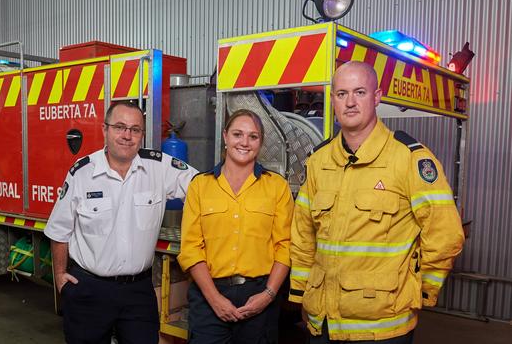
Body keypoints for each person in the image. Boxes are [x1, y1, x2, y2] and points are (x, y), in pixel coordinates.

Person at [289, 61, 465, 343]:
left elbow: (444, 232)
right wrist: (300, 292)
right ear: (332, 100)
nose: (350, 102)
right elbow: (302, 233)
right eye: (342, 93)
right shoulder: (319, 161)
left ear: (377, 97)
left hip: (385, 327)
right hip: (323, 323)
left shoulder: (409, 159)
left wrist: (421, 290)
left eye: (359, 92)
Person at [44, 101, 198, 344]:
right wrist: (61, 276)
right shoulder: (82, 173)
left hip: (137, 293)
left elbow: (203, 187)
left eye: (135, 129)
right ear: (105, 130)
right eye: (120, 127)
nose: (127, 135)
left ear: (142, 135)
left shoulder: (159, 167)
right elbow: (59, 230)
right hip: (89, 290)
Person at [178, 109, 294, 343]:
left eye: (253, 136)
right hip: (209, 297)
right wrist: (215, 299)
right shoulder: (200, 186)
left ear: (261, 142)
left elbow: (285, 247)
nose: (244, 142)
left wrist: (268, 295)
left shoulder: (277, 187)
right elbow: (191, 249)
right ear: (225, 137)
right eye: (237, 134)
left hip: (260, 297)